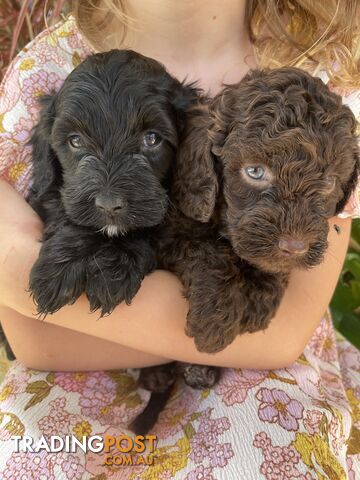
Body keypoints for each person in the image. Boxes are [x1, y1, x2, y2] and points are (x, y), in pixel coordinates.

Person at [0, 0, 359, 478]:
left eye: (152, 141)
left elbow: (280, 337)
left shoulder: (329, 81)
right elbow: (37, 340)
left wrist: (39, 285)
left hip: (265, 385)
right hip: (73, 387)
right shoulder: (42, 73)